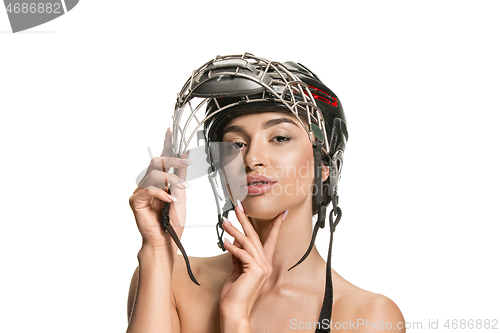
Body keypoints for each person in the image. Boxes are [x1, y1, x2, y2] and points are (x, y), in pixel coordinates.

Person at [126, 54, 405, 332]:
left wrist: (235, 317)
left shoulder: (368, 316)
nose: (252, 158)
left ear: (324, 165)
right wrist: (157, 249)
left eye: (280, 138)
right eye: (235, 143)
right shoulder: (169, 280)